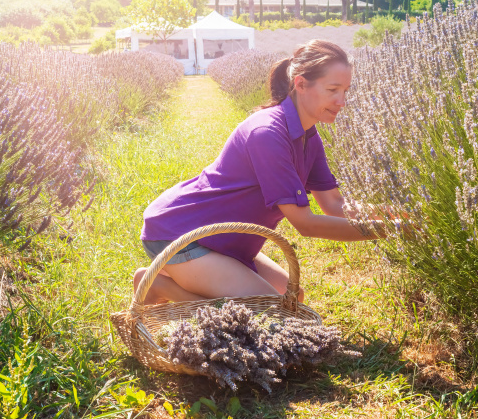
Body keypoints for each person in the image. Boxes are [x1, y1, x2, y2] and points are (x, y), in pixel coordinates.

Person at [134, 40, 393, 305]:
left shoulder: (307, 135)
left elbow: (335, 205)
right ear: (301, 84)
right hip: (180, 233)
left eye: (346, 90)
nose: (343, 101)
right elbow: (305, 224)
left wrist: (395, 214)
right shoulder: (267, 134)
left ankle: (187, 282)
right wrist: (392, 230)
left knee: (292, 299)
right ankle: (161, 285)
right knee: (270, 311)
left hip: (222, 239)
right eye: (333, 90)